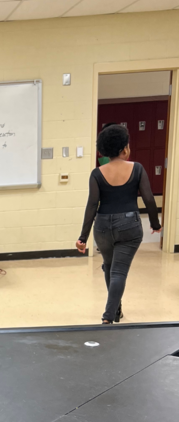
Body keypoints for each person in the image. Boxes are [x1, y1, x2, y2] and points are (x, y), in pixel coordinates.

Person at [76, 123, 161, 323]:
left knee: (109, 266)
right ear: (125, 149)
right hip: (129, 226)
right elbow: (148, 198)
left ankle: (116, 309)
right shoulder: (137, 168)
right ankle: (108, 316)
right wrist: (155, 224)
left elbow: (91, 206)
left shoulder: (97, 173)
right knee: (118, 271)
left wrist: (82, 237)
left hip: (103, 226)